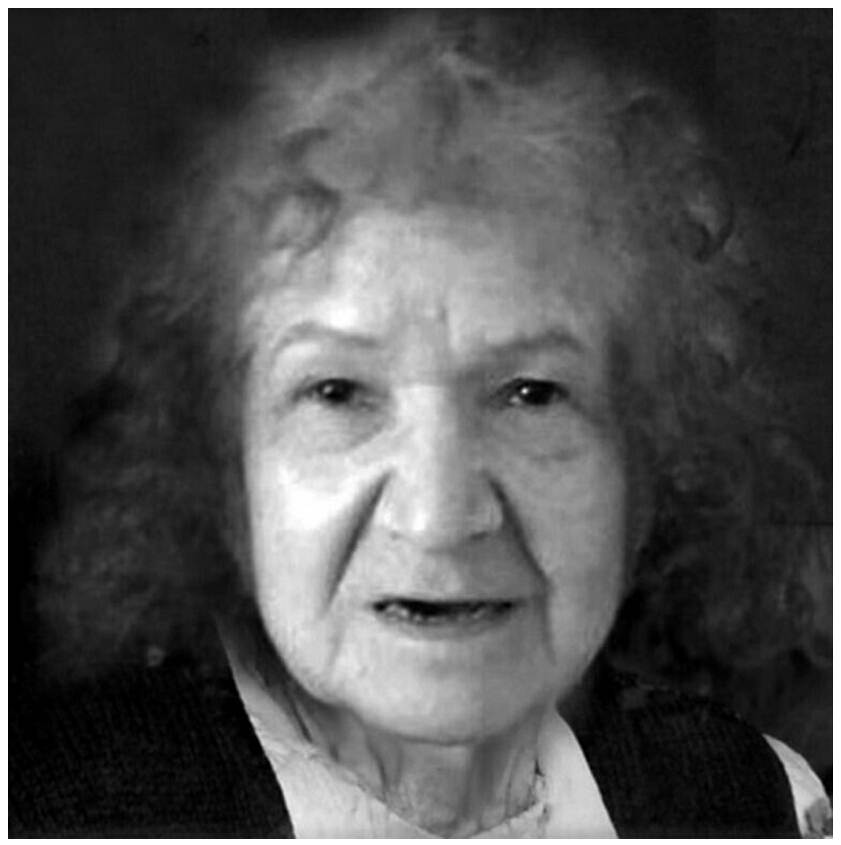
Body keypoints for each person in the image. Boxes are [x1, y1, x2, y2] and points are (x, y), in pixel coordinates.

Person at [10, 11, 831, 837]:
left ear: (644, 471)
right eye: (337, 391)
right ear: (228, 482)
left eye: (530, 392)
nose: (439, 516)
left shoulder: (758, 801)